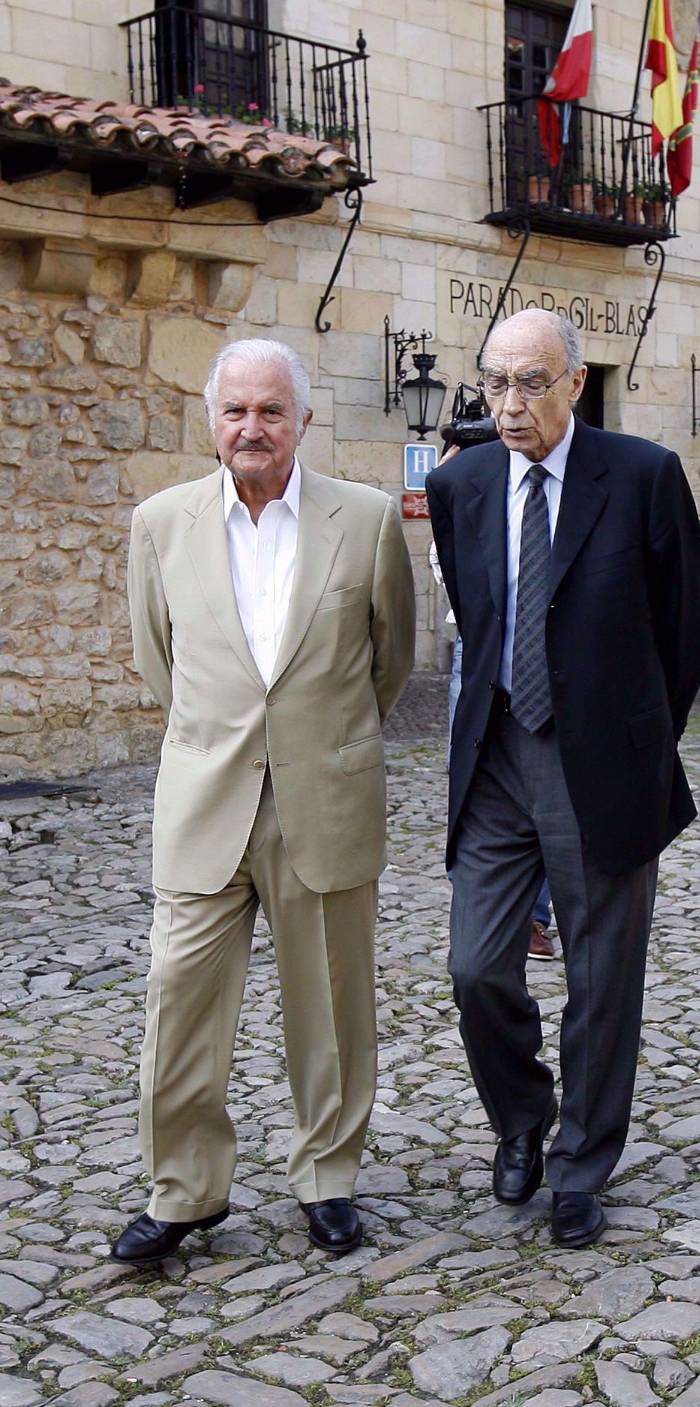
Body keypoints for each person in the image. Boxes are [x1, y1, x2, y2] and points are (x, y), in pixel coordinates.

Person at [114, 339, 415, 1266]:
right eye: (237, 410)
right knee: (179, 996)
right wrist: (229, 740)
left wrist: (318, 741)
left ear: (303, 422)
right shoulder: (160, 523)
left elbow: (390, 661)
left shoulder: (365, 521)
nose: (254, 427)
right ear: (213, 421)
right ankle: (185, 1190)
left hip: (323, 800)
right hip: (207, 801)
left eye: (272, 410)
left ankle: (327, 1178)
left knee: (330, 1003)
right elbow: (158, 659)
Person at [426, 308, 700, 1248]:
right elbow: (481, 616)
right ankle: (521, 1118)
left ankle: (583, 1162)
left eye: (532, 382)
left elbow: (682, 634)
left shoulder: (641, 476)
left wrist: (634, 741)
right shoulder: (462, 484)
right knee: (475, 965)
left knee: (601, 977)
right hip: (498, 755)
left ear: (576, 384)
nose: (510, 405)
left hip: (606, 763)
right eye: (495, 382)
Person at [430, 535, 556, 960]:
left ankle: (534, 916)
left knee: (546, 785)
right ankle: (484, 908)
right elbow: (442, 561)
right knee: (469, 774)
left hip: (551, 641)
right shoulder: (463, 481)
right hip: (482, 640)